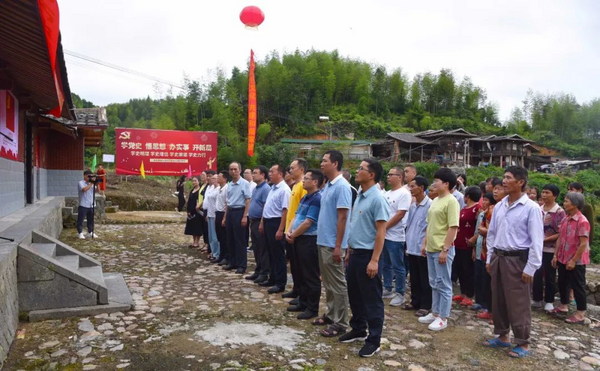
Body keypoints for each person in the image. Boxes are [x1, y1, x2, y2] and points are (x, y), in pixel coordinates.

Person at [483, 166, 543, 359]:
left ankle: (523, 342)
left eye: (508, 178)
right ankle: (502, 335)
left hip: (518, 260)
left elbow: (536, 240)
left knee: (518, 301)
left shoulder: (531, 208)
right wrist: (490, 257)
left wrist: (531, 267)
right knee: (498, 298)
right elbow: (492, 233)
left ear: (520, 182)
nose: (504, 181)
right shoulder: (500, 206)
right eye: (504, 177)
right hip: (498, 258)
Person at [341, 158, 390, 358]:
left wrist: (375, 260)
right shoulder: (360, 195)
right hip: (355, 253)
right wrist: (349, 251)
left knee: (372, 299)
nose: (357, 170)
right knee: (355, 294)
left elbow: (381, 232)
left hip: (369, 255)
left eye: (361, 168)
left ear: (371, 175)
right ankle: (358, 328)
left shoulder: (377, 199)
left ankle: (374, 339)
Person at [417, 168, 459, 332]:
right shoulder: (435, 200)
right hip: (431, 247)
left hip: (443, 248)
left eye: (437, 181)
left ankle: (443, 317)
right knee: (434, 282)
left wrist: (445, 249)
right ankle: (435, 312)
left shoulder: (451, 201)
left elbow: (453, 227)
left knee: (444, 283)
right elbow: (430, 225)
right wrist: (424, 244)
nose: (434, 184)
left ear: (446, 184)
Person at [315, 150, 352, 338]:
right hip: (323, 240)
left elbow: (343, 217)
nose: (321, 164)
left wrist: (338, 245)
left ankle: (341, 322)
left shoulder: (342, 186)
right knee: (328, 283)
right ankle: (331, 314)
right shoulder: (329, 185)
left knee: (338, 284)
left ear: (335, 164)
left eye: (324, 161)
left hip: (333, 244)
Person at [285, 169, 324, 320]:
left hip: (309, 240)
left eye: (307, 178)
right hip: (298, 238)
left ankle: (312, 308)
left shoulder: (317, 199)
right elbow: (296, 216)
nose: (303, 181)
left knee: (310, 275)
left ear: (315, 182)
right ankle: (303, 301)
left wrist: (293, 235)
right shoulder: (306, 197)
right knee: (300, 272)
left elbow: (308, 222)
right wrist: (290, 231)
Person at [550, 192, 591, 324]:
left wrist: (573, 260)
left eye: (567, 201)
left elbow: (583, 243)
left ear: (575, 204)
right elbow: (560, 238)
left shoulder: (582, 221)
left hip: (576, 260)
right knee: (562, 282)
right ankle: (563, 306)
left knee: (578, 285)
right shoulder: (565, 219)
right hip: (563, 257)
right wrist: (556, 255)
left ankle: (580, 314)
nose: (564, 203)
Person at [380, 166, 411, 307]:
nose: (388, 177)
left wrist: (384, 226)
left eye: (391, 174)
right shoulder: (387, 193)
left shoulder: (404, 194)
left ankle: (400, 293)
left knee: (398, 265)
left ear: (400, 177)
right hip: (384, 235)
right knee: (385, 263)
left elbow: (400, 214)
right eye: (388, 174)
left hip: (396, 236)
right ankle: (387, 288)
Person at [532, 184, 565, 312]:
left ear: (555, 195)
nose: (544, 195)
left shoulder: (559, 212)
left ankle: (549, 300)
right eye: (543, 192)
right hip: (537, 248)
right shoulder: (538, 209)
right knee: (537, 273)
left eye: (547, 192)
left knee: (550, 275)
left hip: (551, 248)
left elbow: (560, 232)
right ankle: (537, 299)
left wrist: (545, 239)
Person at [259, 164, 291, 294]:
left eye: (272, 171)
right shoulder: (273, 188)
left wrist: (280, 229)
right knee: (270, 252)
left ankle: (280, 282)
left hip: (276, 223)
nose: (270, 174)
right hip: (268, 222)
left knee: (278, 254)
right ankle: (272, 278)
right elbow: (267, 206)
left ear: (280, 174)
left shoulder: (284, 189)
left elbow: (285, 211)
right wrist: (262, 222)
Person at [404, 176, 433, 317]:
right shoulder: (413, 205)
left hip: (422, 247)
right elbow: (409, 226)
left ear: (421, 188)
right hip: (411, 245)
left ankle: (426, 305)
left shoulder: (430, 205)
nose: (411, 189)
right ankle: (415, 301)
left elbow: (429, 228)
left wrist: (425, 244)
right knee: (414, 277)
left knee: (424, 277)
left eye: (413, 186)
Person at [452, 186, 481, 307]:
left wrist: (474, 239)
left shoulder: (477, 209)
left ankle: (469, 295)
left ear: (467, 196)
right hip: (458, 243)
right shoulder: (464, 208)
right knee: (460, 269)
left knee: (468, 270)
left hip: (468, 244)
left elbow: (480, 224)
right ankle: (463, 293)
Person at [283, 158, 308, 300]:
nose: (290, 170)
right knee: (293, 263)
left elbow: (303, 212)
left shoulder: (303, 186)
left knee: (300, 266)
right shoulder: (296, 186)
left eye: (293, 168)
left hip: (297, 231)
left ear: (301, 169)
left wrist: (294, 231)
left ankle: (302, 294)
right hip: (290, 229)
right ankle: (296, 289)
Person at [223, 162, 252, 274]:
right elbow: (228, 201)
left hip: (240, 211)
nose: (233, 171)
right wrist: (225, 217)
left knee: (239, 240)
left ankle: (241, 264)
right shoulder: (230, 184)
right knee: (230, 238)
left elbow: (248, 200)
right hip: (230, 211)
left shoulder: (244, 183)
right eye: (231, 169)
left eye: (235, 169)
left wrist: (245, 216)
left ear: (240, 170)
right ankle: (232, 261)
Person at [246, 166, 271, 283]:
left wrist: (262, 222)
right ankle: (258, 270)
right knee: (256, 247)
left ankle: (264, 272)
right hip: (253, 221)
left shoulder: (266, 189)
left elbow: (266, 206)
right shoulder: (256, 188)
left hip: (260, 222)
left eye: (255, 173)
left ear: (263, 175)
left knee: (262, 248)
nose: (253, 174)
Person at [472, 193, 496, 314]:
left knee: (487, 279)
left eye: (486, 200)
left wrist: (484, 231)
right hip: (480, 247)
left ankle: (487, 305)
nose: (484, 202)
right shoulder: (483, 214)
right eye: (484, 200)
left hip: (489, 250)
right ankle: (479, 301)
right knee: (479, 276)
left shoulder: (494, 212)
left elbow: (490, 231)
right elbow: (478, 230)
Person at [77, 170, 98, 239]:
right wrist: (91, 183)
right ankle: (80, 232)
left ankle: (90, 231)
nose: (89, 178)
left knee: (91, 219)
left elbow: (98, 191)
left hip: (91, 204)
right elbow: (84, 190)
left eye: (91, 176)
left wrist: (96, 183)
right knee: (81, 219)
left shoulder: (92, 184)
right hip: (83, 204)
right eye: (88, 176)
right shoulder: (81, 183)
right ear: (84, 176)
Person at [215, 171, 230, 265]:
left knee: (224, 237)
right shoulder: (219, 188)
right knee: (219, 236)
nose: (217, 179)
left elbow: (227, 204)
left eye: (219, 177)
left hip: (223, 214)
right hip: (218, 213)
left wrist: (224, 217)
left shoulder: (227, 189)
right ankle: (221, 255)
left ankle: (226, 256)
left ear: (224, 179)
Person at [205, 174, 220, 261]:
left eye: (215, 178)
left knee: (215, 236)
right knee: (210, 236)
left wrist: (215, 215)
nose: (213, 180)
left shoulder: (218, 189)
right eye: (212, 178)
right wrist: (207, 214)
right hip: (210, 214)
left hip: (215, 214)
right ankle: (213, 252)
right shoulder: (212, 188)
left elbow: (217, 203)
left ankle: (217, 253)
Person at [184, 177, 203, 248]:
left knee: (197, 227)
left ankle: (197, 242)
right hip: (191, 211)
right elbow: (189, 201)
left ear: (199, 181)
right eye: (193, 181)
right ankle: (194, 241)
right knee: (192, 226)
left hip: (197, 211)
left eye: (195, 181)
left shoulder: (200, 191)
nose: (194, 182)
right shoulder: (192, 190)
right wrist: (188, 210)